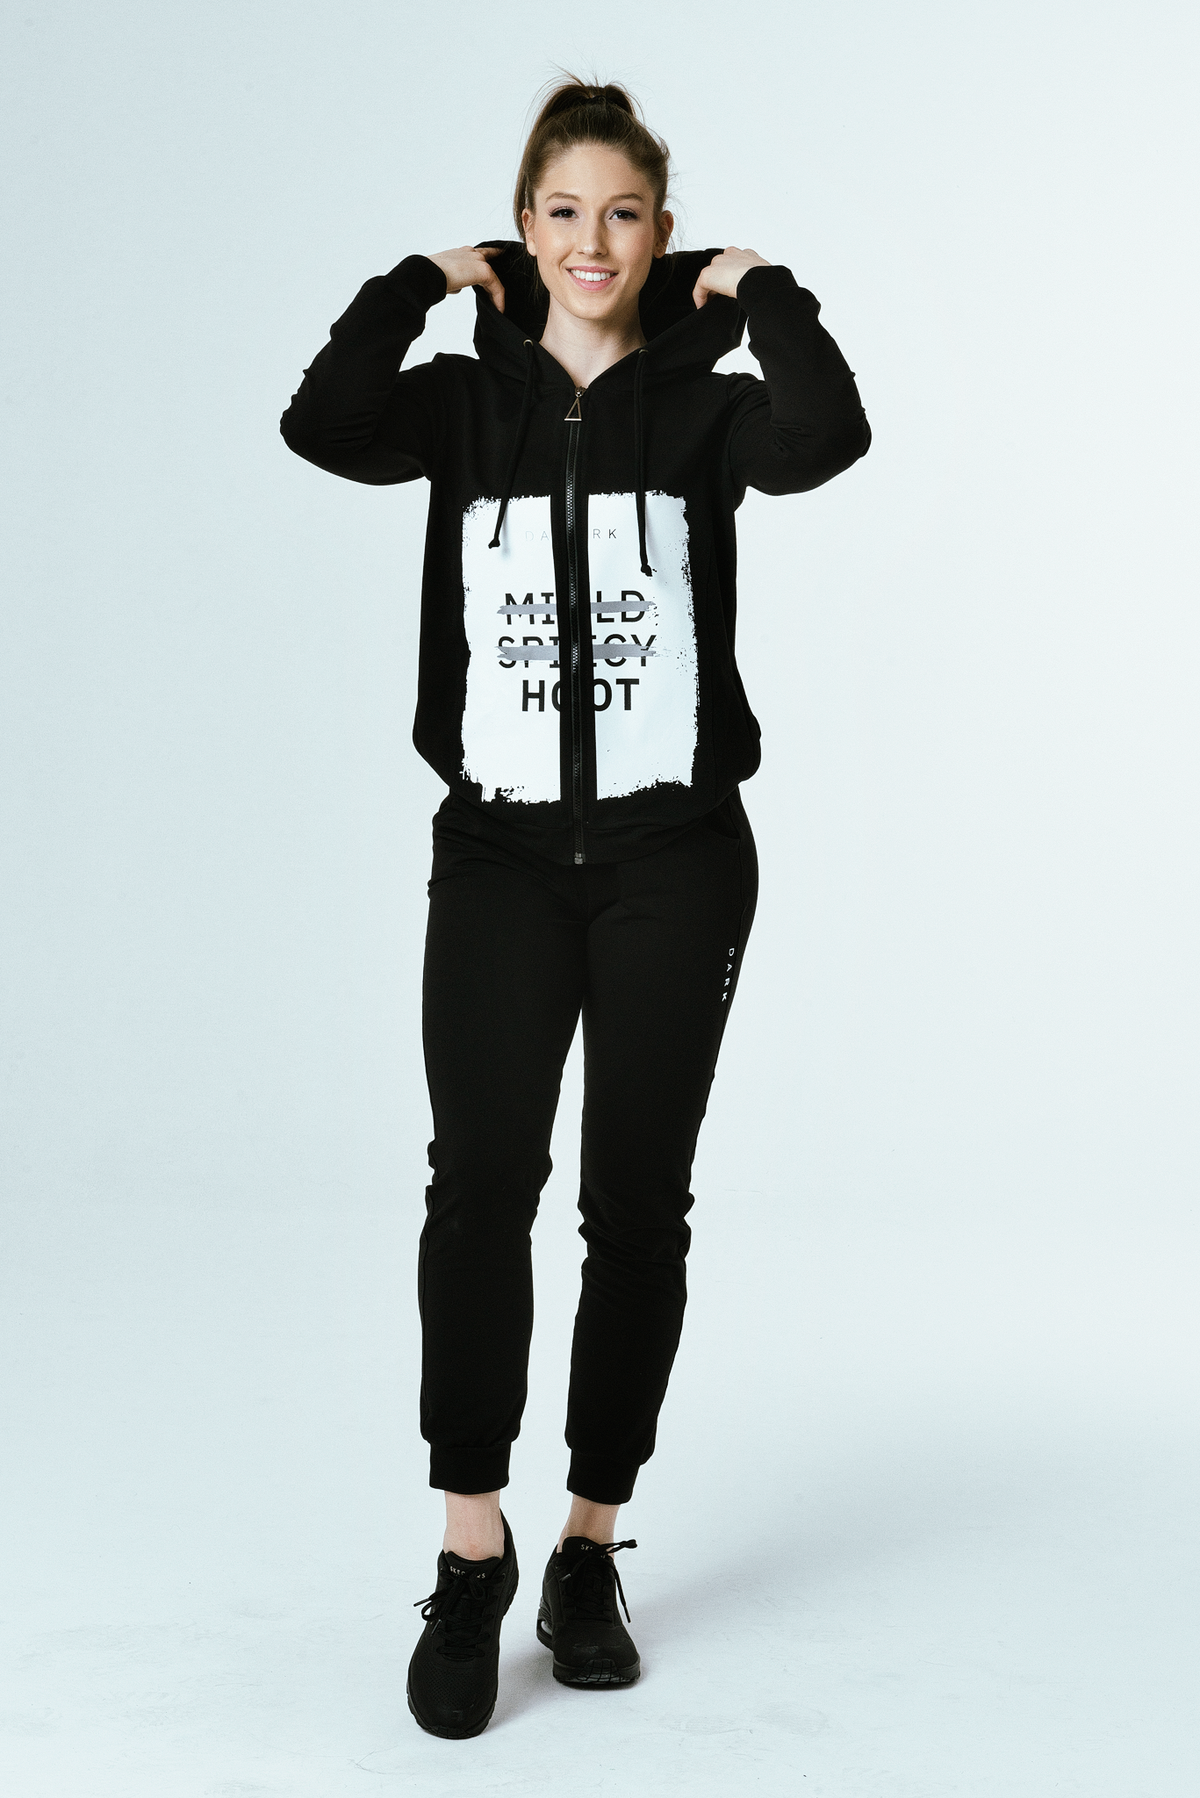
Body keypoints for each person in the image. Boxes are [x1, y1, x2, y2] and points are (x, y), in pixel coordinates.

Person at [280, 75, 869, 1739]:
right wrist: (418, 282)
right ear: (522, 229)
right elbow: (320, 422)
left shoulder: (708, 411)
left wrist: (765, 291)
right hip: (503, 859)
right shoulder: (463, 407)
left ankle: (589, 1544)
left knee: (635, 1207)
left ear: (660, 230)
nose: (591, 239)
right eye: (560, 211)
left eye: (622, 212)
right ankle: (471, 1545)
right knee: (481, 1189)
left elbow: (828, 434)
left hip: (678, 860)